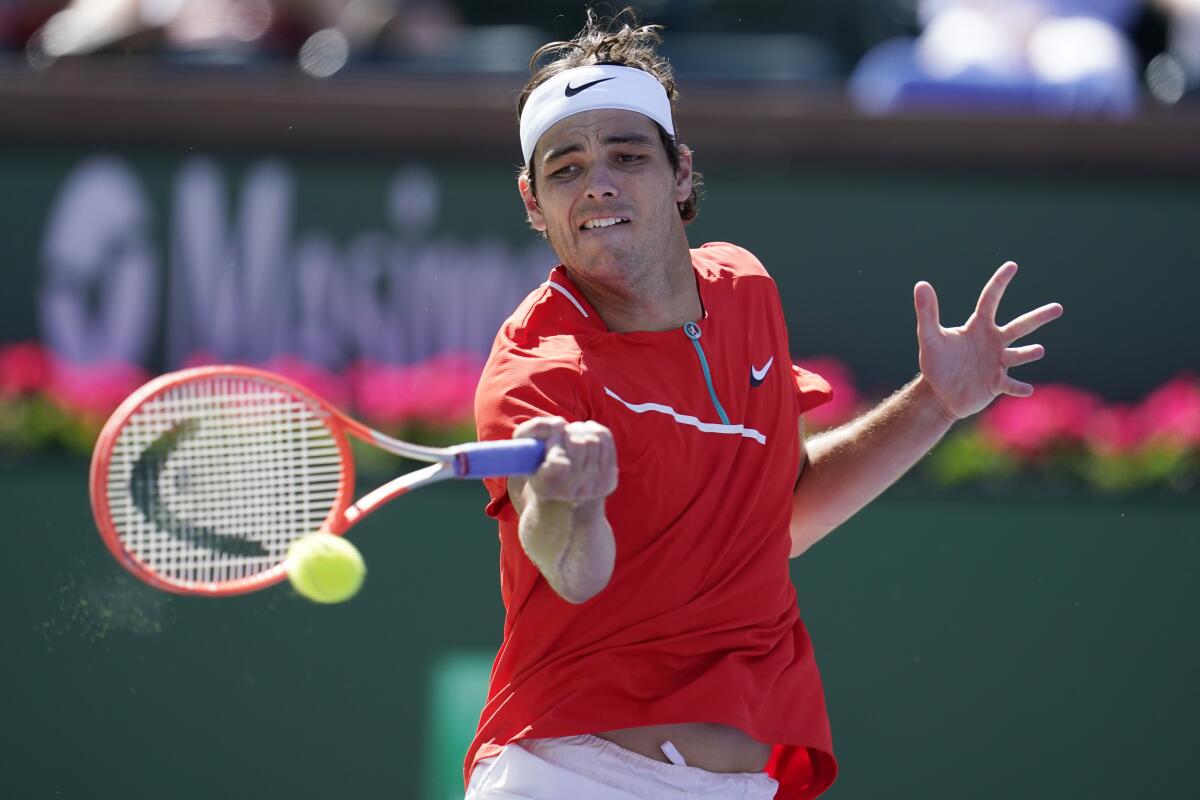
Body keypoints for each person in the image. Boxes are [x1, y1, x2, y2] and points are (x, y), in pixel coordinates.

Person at [468, 10, 1063, 800]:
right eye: (566, 167)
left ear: (681, 173)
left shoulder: (745, 290)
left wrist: (935, 403)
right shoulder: (534, 369)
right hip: (572, 775)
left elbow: (776, 519)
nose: (599, 182)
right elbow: (573, 572)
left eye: (626, 155)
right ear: (534, 202)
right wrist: (569, 502)